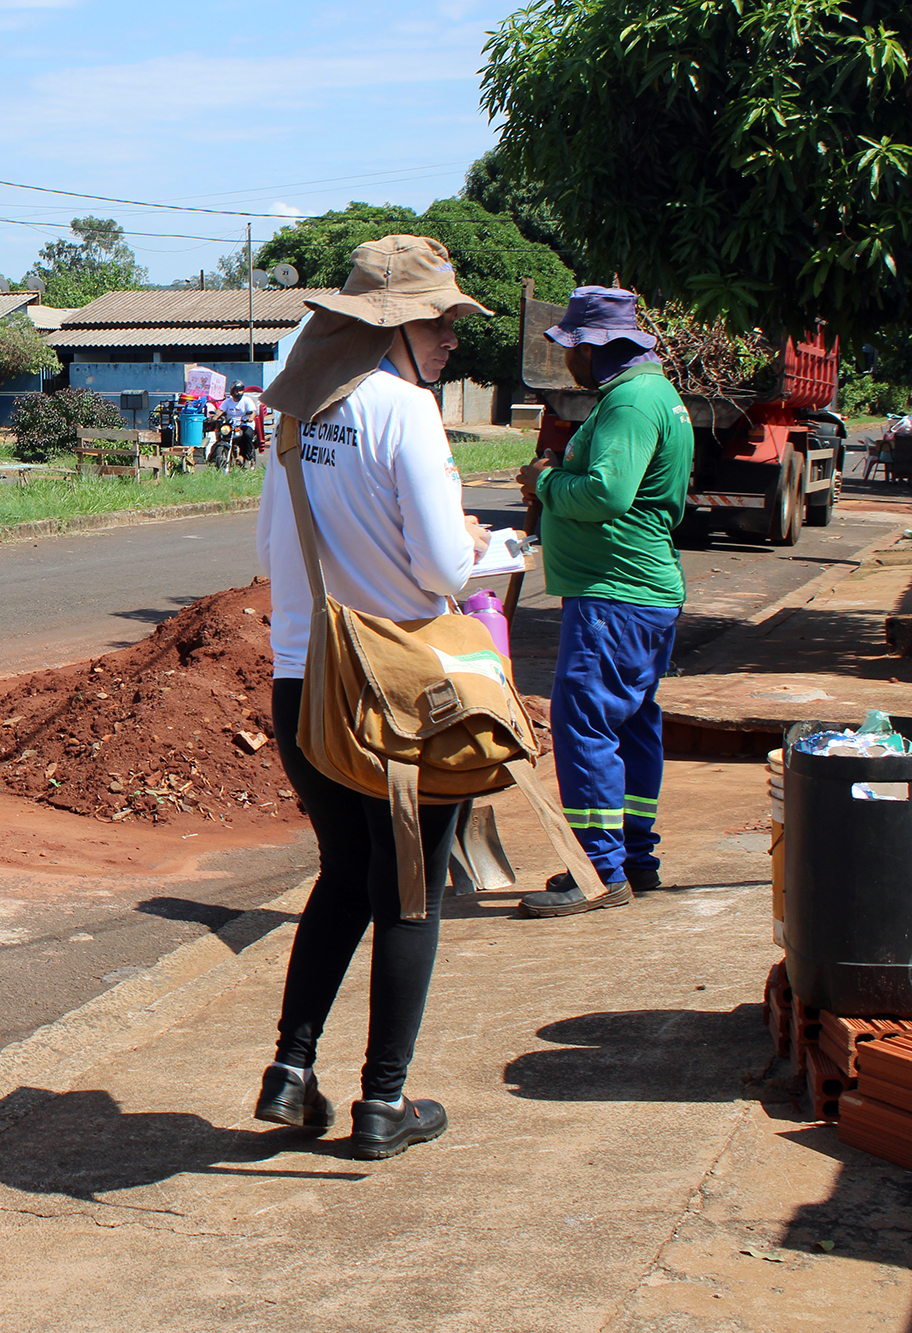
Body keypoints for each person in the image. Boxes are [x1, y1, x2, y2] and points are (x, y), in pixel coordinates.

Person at [252, 235, 493, 1160]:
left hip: (301, 686)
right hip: (393, 697)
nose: (449, 340)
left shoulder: (297, 410)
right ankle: (385, 1105)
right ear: (393, 326)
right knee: (410, 896)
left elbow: (269, 554)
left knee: (344, 875)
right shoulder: (406, 413)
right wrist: (473, 543)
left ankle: (290, 1068)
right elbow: (441, 567)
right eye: (437, 322)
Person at [514, 286, 691, 917]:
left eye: (570, 349)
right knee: (632, 724)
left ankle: (598, 870)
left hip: (614, 596)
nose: (566, 362)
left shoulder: (630, 403)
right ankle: (634, 859)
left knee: (584, 726)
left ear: (595, 348)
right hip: (639, 595)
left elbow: (606, 494)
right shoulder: (654, 396)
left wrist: (545, 480)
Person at [219, 382, 261, 461]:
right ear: (232, 391)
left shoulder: (247, 400)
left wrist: (250, 418)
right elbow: (220, 410)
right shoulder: (227, 402)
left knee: (247, 435)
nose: (239, 393)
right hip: (231, 425)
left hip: (245, 424)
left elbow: (253, 412)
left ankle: (248, 457)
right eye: (236, 391)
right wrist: (214, 418)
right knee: (221, 433)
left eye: (241, 390)